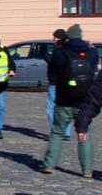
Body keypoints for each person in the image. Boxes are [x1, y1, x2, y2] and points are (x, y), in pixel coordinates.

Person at [40, 24, 97, 177]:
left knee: (57, 132)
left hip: (64, 99)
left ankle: (49, 164)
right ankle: (87, 170)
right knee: (84, 132)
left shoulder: (60, 52)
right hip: (85, 100)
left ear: (68, 36)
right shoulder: (91, 52)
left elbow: (52, 71)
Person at [46, 29, 72, 140]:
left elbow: (55, 65)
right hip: (67, 83)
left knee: (51, 108)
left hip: (55, 83)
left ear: (59, 38)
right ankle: (66, 132)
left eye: (55, 37)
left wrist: (47, 58)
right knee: (66, 107)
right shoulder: (70, 49)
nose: (53, 39)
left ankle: (56, 132)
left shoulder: (58, 50)